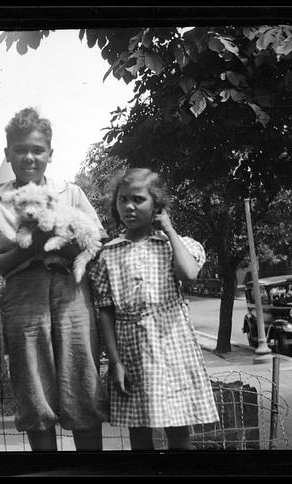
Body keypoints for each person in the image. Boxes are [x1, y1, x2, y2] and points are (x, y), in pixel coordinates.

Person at [0, 107, 108, 451]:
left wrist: (59, 244)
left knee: (82, 383)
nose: (29, 157)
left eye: (37, 150)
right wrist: (26, 251)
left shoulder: (70, 192)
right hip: (23, 297)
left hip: (71, 292)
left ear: (50, 153)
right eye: (20, 150)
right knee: (34, 390)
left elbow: (98, 242)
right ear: (7, 154)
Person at [89, 168, 220, 450]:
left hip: (172, 347)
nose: (129, 207)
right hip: (130, 349)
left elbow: (189, 273)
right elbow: (105, 311)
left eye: (138, 199)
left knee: (177, 428)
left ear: (157, 205)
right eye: (123, 200)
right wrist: (115, 362)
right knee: (139, 432)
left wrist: (169, 228)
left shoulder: (174, 245)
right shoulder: (108, 254)